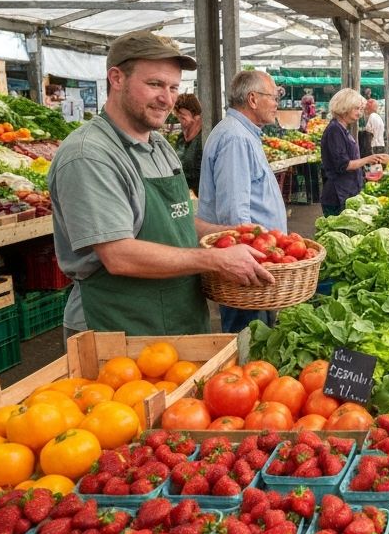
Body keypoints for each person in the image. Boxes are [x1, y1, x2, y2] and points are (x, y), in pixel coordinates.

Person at [49, 30, 272, 339]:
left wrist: (233, 234)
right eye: (155, 84)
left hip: (177, 315)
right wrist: (214, 259)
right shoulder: (90, 154)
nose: (167, 99)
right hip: (117, 324)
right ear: (116, 78)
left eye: (173, 87)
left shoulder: (159, 145)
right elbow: (118, 255)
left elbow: (177, 220)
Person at [198, 70, 289, 334]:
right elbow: (234, 213)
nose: (276, 104)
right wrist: (245, 259)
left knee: (259, 335)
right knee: (248, 338)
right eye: (273, 97)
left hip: (257, 261)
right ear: (252, 99)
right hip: (247, 268)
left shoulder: (243, 134)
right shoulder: (235, 138)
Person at [321, 87, 389, 216]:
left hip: (347, 191)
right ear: (344, 107)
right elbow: (343, 165)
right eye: (357, 109)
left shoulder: (342, 129)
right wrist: (368, 159)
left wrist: (368, 168)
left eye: (361, 109)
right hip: (338, 195)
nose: (360, 113)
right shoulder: (335, 130)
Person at [173, 92, 203, 194]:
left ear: (196, 116)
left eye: (183, 117)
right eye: (178, 117)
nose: (180, 121)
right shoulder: (181, 138)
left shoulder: (204, 138)